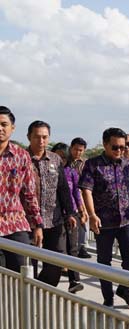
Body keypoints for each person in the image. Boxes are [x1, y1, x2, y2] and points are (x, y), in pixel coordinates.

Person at [79, 127, 129, 306]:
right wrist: (92, 215)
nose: (120, 151)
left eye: (124, 147)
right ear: (105, 145)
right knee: (104, 261)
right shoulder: (93, 164)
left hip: (126, 220)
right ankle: (108, 297)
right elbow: (86, 190)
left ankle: (124, 287)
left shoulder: (127, 164)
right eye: (115, 147)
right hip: (103, 221)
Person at [26, 121, 76, 286]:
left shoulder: (55, 159)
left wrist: (70, 213)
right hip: (27, 221)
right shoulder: (21, 158)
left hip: (53, 219)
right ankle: (29, 296)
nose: (41, 141)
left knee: (56, 262)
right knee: (27, 263)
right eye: (37, 137)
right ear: (29, 137)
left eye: (45, 137)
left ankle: (41, 290)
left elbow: (63, 188)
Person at [0, 106, 43, 271]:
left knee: (22, 273)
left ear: (12, 128)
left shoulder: (21, 156)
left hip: (15, 224)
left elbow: (29, 194)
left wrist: (37, 225)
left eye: (4, 124)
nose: (0, 128)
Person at [52, 142, 87, 293]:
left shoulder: (71, 172)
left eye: (63, 158)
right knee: (59, 249)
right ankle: (51, 280)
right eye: (57, 157)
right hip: (54, 215)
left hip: (71, 214)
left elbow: (76, 194)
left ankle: (74, 281)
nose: (60, 160)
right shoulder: (49, 171)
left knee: (73, 248)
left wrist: (82, 210)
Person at [67, 137, 91, 258]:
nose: (78, 152)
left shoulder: (85, 164)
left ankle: (82, 246)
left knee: (83, 223)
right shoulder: (65, 162)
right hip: (69, 197)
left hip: (82, 196)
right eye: (76, 149)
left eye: (81, 150)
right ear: (71, 148)